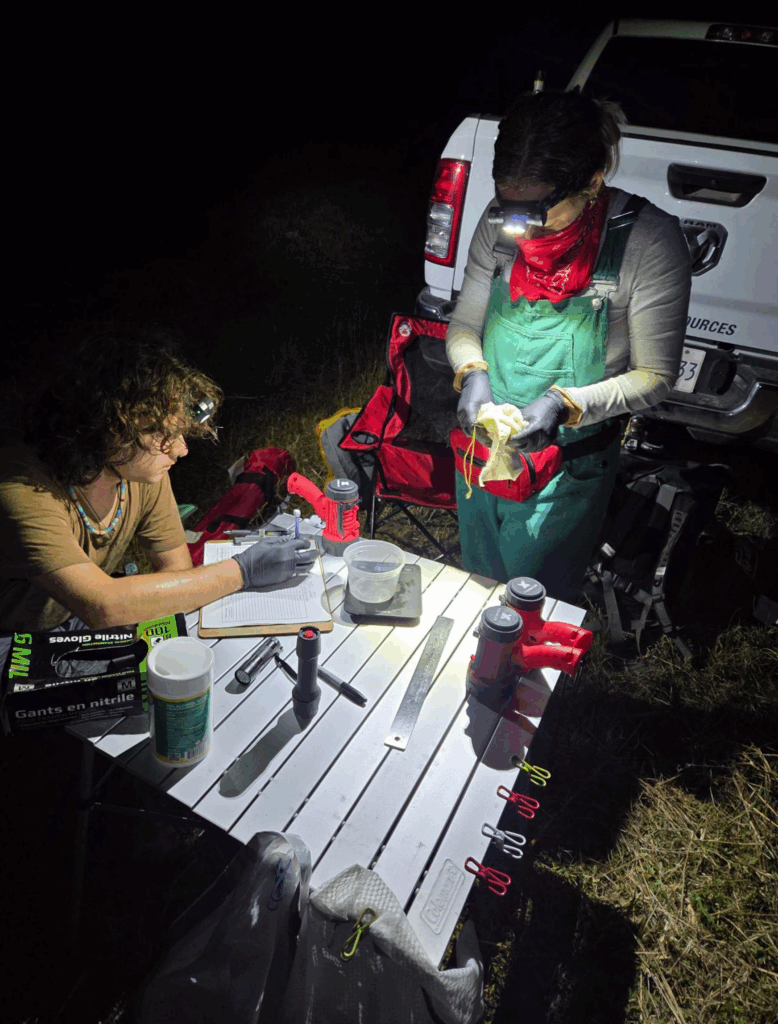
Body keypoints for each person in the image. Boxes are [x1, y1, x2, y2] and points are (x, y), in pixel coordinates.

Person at [448, 88, 692, 601]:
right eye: (508, 205)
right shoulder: (500, 224)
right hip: (479, 455)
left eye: (538, 209)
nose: (521, 225)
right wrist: (472, 372)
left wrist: (565, 404)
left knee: (531, 600)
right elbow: (466, 323)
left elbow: (655, 375)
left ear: (591, 182)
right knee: (474, 590)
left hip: (569, 468)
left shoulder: (648, 243)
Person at [0, 326, 315, 656]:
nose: (181, 450)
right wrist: (243, 570)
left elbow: (177, 570)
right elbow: (103, 604)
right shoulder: (24, 489)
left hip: (74, 621)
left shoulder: (136, 470)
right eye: (164, 434)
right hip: (11, 637)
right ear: (111, 428)